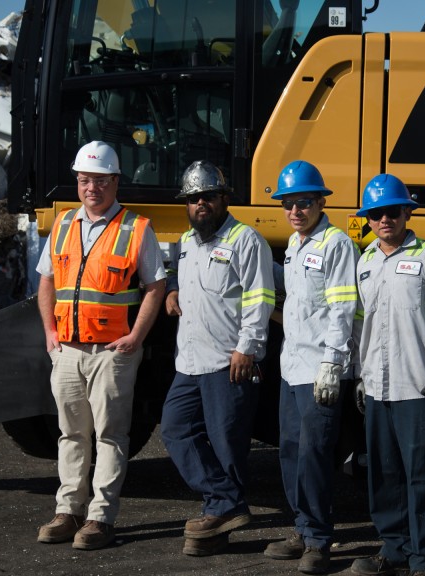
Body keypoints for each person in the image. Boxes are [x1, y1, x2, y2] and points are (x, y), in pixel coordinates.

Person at [35, 140, 167, 550]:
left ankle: (100, 517)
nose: (92, 188)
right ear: (78, 181)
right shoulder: (63, 225)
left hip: (113, 352)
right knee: (71, 433)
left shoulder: (136, 228)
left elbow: (156, 286)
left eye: (101, 181)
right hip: (69, 350)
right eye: (85, 180)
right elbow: (46, 282)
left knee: (110, 435)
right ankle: (68, 509)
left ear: (114, 182)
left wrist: (136, 336)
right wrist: (50, 333)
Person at [350, 174, 425, 576]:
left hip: (419, 387)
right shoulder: (365, 262)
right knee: (383, 474)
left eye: (392, 211)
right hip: (377, 388)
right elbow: (360, 326)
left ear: (406, 212)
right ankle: (394, 549)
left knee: (421, 477)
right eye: (375, 214)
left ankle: (423, 559)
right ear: (367, 219)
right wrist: (359, 376)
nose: (384, 219)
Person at [160, 160, 276, 557]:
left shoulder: (246, 240)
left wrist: (248, 347)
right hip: (189, 362)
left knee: (227, 443)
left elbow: (261, 298)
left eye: (208, 196)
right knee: (175, 429)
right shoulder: (187, 242)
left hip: (229, 360)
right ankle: (225, 502)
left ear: (225, 198)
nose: (200, 204)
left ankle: (217, 520)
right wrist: (173, 289)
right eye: (193, 199)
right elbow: (181, 275)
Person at [263, 161, 359, 575]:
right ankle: (301, 528)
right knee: (290, 451)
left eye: (303, 202)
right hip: (292, 367)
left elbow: (343, 309)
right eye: (288, 204)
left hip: (321, 368)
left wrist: (331, 364)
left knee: (316, 453)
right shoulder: (295, 243)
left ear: (321, 202)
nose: (295, 211)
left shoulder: (335, 244)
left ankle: (319, 539)